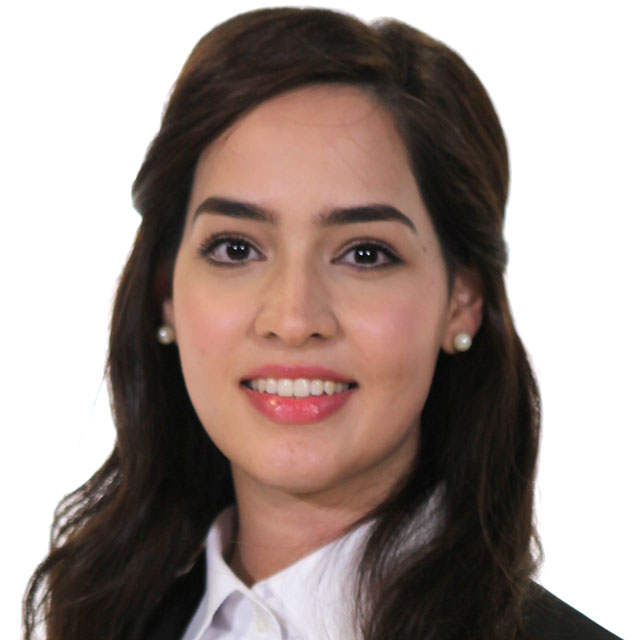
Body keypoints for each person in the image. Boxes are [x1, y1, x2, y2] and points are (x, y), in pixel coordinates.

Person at [23, 7, 621, 640]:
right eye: (235, 248)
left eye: (365, 254)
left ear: (461, 300)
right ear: (164, 291)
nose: (293, 319)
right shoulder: (96, 620)